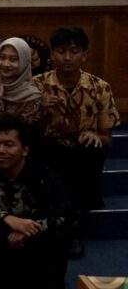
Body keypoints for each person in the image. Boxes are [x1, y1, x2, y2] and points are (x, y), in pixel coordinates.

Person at [32, 27, 121, 258]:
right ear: (52, 54)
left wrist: (96, 136)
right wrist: (42, 111)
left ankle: (72, 229)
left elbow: (108, 140)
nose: (67, 57)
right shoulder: (37, 85)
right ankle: (64, 225)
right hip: (50, 150)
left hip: (83, 154)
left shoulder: (100, 87)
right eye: (61, 51)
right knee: (48, 150)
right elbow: (30, 136)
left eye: (74, 51)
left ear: (84, 55)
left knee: (90, 150)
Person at [0, 114, 74, 289]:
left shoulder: (44, 175)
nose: (0, 150)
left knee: (55, 240)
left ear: (25, 150)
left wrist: (29, 230)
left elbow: (65, 209)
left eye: (9, 144)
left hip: (37, 242)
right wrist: (6, 218)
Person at [0, 37, 42, 123]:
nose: (6, 64)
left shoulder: (32, 96)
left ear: (24, 62)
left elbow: (23, 129)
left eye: (13, 59)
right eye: (2, 57)